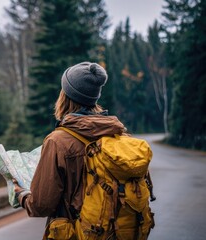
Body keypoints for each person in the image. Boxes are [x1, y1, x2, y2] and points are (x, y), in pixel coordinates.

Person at [14, 62, 127, 238]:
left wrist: (22, 195)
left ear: (65, 96)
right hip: (114, 232)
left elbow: (41, 205)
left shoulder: (58, 141)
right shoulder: (118, 134)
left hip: (78, 233)